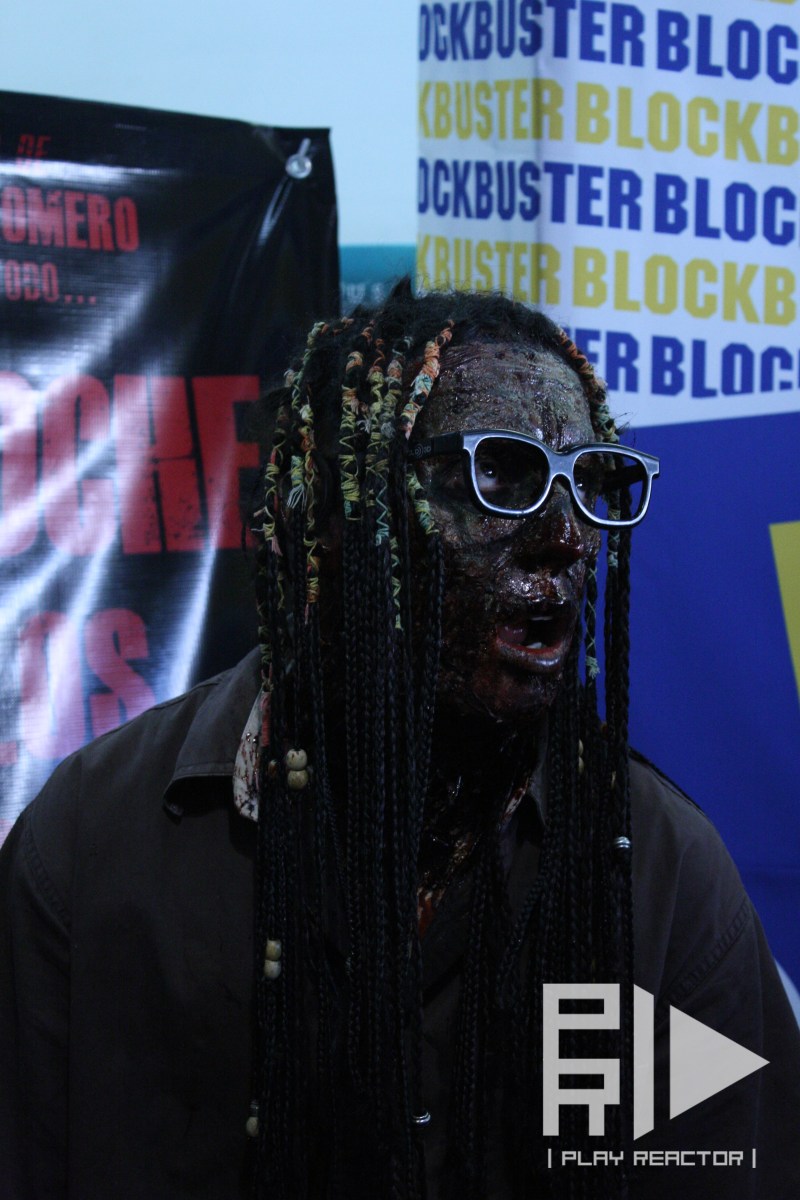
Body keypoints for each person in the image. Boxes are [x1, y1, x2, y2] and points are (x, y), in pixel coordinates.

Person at [1, 285, 798, 1200]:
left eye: (589, 482)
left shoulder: (659, 881)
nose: (566, 539)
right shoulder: (96, 846)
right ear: (341, 519)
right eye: (500, 473)